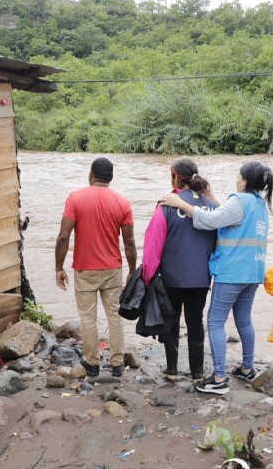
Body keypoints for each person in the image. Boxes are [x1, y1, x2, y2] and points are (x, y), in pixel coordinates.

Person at [160, 161, 273, 395]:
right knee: (243, 319)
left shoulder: (239, 201)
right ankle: (247, 368)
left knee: (214, 321)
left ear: (245, 180)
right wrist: (211, 196)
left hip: (232, 271)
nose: (236, 179)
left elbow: (212, 220)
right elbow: (228, 216)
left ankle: (219, 377)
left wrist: (179, 203)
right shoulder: (259, 204)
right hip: (253, 271)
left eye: (239, 175)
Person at [55, 157, 137, 378]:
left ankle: (92, 363)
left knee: (88, 318)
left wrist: (58, 267)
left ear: (90, 175)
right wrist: (132, 269)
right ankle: (118, 363)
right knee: (115, 315)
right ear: (111, 177)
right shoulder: (122, 202)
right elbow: (129, 242)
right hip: (113, 269)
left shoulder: (75, 198)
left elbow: (64, 236)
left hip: (85, 269)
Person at [142, 158, 219, 382]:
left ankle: (172, 369)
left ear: (175, 177)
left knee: (171, 321)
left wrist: (148, 276)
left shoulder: (166, 205)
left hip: (171, 277)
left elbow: (153, 245)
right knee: (196, 322)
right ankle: (197, 372)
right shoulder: (212, 206)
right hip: (201, 278)